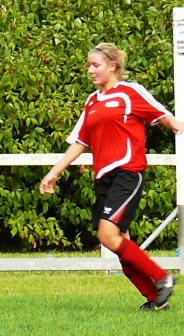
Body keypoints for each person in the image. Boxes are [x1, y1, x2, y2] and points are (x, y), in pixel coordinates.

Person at [40, 42, 184, 312]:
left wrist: (176, 124)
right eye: (88, 66)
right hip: (104, 178)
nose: (90, 71)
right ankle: (156, 299)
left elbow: (162, 115)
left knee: (108, 235)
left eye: (96, 65)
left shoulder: (129, 92)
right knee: (121, 245)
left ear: (113, 67)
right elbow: (79, 141)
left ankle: (162, 277)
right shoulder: (92, 101)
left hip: (128, 172)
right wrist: (53, 173)